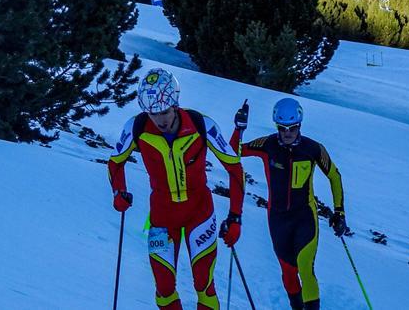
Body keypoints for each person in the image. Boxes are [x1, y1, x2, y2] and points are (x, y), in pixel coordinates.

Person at [108, 68, 245, 309]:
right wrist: (119, 191)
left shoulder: (201, 124)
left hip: (199, 211)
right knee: (163, 287)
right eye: (152, 114)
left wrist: (235, 216)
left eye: (164, 112)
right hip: (162, 216)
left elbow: (234, 169)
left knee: (203, 282)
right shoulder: (137, 127)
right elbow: (116, 163)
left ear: (175, 104)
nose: (159, 120)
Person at [231, 98, 347, 310]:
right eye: (282, 128)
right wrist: (238, 129)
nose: (287, 133)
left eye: (292, 128)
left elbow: (334, 176)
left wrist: (339, 211)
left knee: (305, 267)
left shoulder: (313, 149)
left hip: (304, 217)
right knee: (288, 274)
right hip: (278, 221)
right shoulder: (268, 145)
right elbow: (233, 152)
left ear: (299, 125)